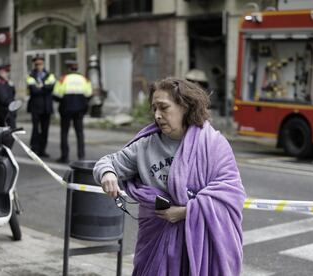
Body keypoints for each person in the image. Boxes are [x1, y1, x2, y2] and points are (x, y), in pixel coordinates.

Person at [93, 77, 246, 275]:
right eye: (154, 108)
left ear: (184, 106)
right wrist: (107, 173)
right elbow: (107, 163)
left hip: (198, 243)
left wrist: (185, 212)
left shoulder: (213, 144)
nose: (157, 115)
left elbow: (231, 192)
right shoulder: (146, 145)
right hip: (154, 242)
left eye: (164, 108)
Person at [53, 60, 92, 163]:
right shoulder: (84, 79)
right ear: (76, 68)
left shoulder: (63, 79)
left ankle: (64, 156)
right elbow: (89, 94)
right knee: (79, 133)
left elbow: (56, 95)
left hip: (66, 109)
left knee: (64, 132)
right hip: (80, 110)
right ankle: (81, 156)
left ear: (68, 68)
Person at [26, 55, 56, 157]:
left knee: (45, 129)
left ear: (43, 64)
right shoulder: (30, 75)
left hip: (47, 107)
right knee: (35, 129)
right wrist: (45, 87)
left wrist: (41, 87)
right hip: (35, 106)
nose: (39, 66)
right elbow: (33, 90)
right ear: (34, 65)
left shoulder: (50, 75)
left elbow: (51, 87)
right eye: (37, 64)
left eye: (40, 64)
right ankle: (34, 149)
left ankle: (42, 150)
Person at [0, 64, 16, 128]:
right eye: (5, 72)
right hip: (3, 113)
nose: (6, 74)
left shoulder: (6, 82)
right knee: (6, 132)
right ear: (0, 73)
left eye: (7, 72)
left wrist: (11, 85)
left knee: (10, 131)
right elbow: (3, 99)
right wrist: (13, 103)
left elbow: (12, 94)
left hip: (8, 111)